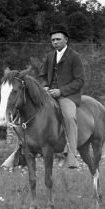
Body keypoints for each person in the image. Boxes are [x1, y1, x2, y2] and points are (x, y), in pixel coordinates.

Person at [37, 24, 86, 169]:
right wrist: (45, 86)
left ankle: (71, 155)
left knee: (70, 117)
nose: (55, 42)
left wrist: (61, 91)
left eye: (58, 39)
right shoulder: (50, 56)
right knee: (28, 110)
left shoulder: (74, 57)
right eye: (52, 40)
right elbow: (43, 75)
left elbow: (80, 81)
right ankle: (20, 151)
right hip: (48, 95)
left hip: (68, 96)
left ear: (66, 40)